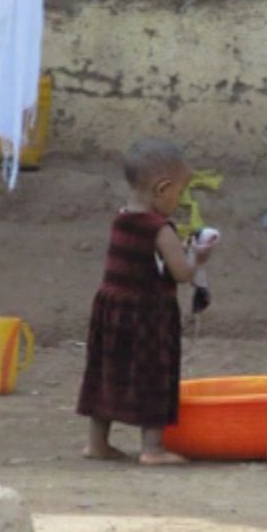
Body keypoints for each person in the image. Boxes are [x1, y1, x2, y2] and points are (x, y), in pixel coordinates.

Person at [76, 137, 215, 466]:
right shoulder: (159, 228)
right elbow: (182, 273)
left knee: (106, 372)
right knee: (154, 375)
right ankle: (153, 448)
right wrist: (199, 257)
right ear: (162, 188)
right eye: (179, 193)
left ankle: (97, 443)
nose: (179, 200)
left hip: (111, 310)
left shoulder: (122, 217)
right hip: (148, 316)